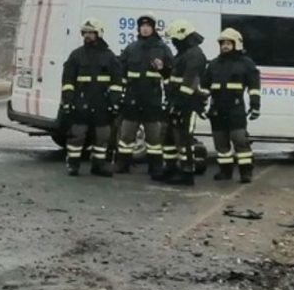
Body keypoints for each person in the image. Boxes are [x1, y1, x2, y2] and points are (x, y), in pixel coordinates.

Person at [59, 18, 123, 177]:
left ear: (98, 34)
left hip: (102, 103)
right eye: (85, 32)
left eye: (91, 32)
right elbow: (67, 80)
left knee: (102, 137)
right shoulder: (76, 55)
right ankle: (73, 165)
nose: (87, 35)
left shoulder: (109, 56)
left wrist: (114, 102)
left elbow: (116, 82)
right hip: (81, 103)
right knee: (77, 135)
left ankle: (98, 166)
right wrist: (68, 100)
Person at [116, 13, 174, 177]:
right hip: (132, 99)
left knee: (154, 137)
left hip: (152, 99)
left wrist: (163, 68)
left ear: (153, 28)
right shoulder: (131, 48)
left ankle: (155, 168)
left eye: (148, 26)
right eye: (142, 26)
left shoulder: (162, 49)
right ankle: (122, 165)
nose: (145, 29)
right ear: (139, 28)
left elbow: (171, 73)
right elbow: (121, 70)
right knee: (127, 135)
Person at [201, 28, 260, 183]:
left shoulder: (246, 63)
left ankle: (246, 172)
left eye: (228, 43)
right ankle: (225, 171)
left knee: (240, 140)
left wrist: (255, 106)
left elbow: (254, 87)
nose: (225, 46)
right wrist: (201, 104)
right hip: (217, 109)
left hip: (235, 109)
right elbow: (205, 87)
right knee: (221, 143)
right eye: (223, 43)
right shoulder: (214, 64)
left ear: (237, 44)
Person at [157, 19, 207, 186]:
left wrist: (179, 105)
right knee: (169, 138)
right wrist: (163, 70)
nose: (173, 42)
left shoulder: (195, 55)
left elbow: (190, 83)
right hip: (175, 101)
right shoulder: (184, 54)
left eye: (174, 39)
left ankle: (187, 172)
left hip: (188, 104)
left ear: (183, 37)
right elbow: (173, 78)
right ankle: (170, 169)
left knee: (184, 139)